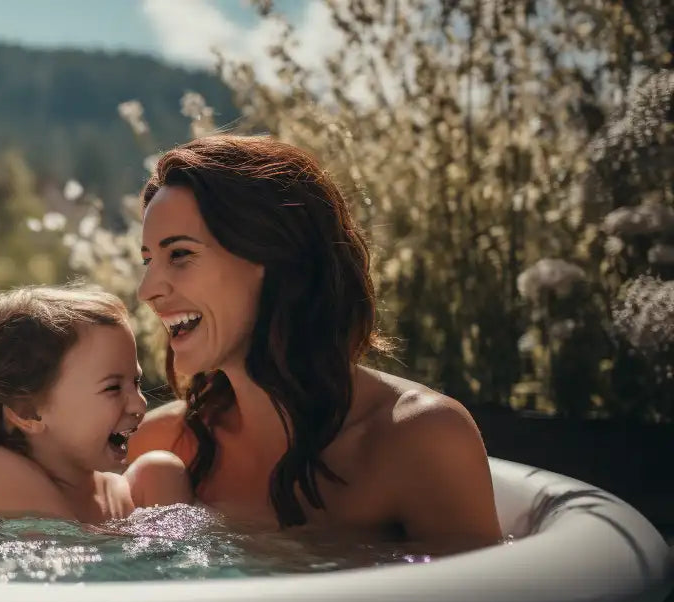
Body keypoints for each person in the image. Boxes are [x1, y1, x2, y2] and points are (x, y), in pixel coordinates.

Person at [125, 135, 503, 549]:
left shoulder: (419, 442)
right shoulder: (161, 446)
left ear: (275, 259)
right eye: (148, 261)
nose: (147, 290)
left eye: (179, 254)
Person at [0, 285, 151, 523]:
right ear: (28, 413)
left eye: (136, 381)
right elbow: (78, 555)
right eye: (113, 388)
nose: (139, 405)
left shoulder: (137, 491)